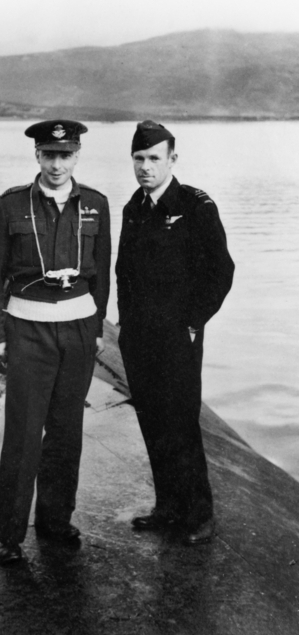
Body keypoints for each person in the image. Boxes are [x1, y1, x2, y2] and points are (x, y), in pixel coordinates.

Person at [0, 120, 111, 564]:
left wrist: (95, 329)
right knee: (23, 432)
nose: (57, 164)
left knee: (66, 430)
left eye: (66, 155)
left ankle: (55, 520)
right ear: (37, 156)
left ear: (77, 156)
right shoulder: (10, 205)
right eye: (49, 155)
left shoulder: (95, 204)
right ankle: (9, 535)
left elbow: (102, 273)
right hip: (28, 329)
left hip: (77, 327)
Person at [116, 120, 235, 545]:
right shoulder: (134, 206)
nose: (145, 167)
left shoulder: (196, 206)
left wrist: (192, 322)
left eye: (153, 159)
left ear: (172, 160)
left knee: (181, 422)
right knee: (151, 420)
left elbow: (221, 272)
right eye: (139, 159)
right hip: (139, 339)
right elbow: (123, 274)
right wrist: (124, 325)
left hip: (178, 337)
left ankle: (199, 514)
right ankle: (167, 506)